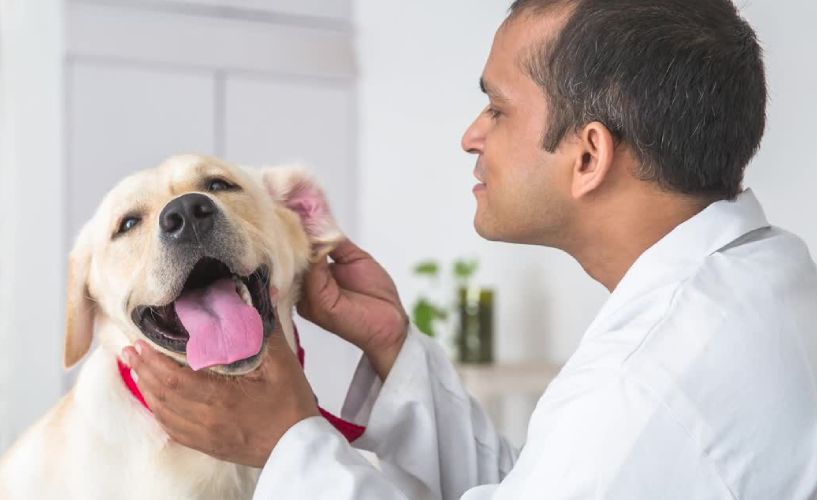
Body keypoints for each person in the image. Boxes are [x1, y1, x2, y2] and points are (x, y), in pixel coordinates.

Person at [121, 0, 817, 498]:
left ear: (588, 156)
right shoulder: (764, 272)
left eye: (499, 109)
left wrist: (287, 446)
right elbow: (537, 484)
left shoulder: (645, 393)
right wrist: (394, 348)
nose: (471, 135)